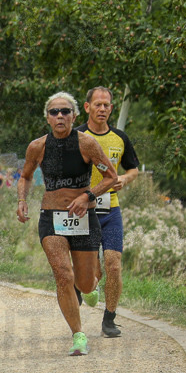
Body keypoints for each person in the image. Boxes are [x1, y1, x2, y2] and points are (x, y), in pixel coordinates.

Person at [16, 91, 117, 356]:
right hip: (51, 217)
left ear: (74, 115)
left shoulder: (87, 144)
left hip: (84, 217)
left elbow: (111, 177)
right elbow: (25, 176)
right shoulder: (37, 147)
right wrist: (22, 199)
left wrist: (88, 196)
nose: (59, 116)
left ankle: (91, 284)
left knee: (84, 283)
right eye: (54, 112)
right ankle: (79, 335)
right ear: (48, 118)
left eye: (65, 111)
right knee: (63, 273)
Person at [76, 86, 140, 337]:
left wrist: (125, 178)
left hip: (111, 210)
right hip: (83, 211)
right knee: (92, 271)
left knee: (113, 265)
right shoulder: (76, 135)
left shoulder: (120, 138)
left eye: (106, 105)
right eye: (98, 104)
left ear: (111, 109)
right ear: (87, 107)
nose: (102, 109)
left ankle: (109, 319)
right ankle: (80, 287)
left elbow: (133, 168)